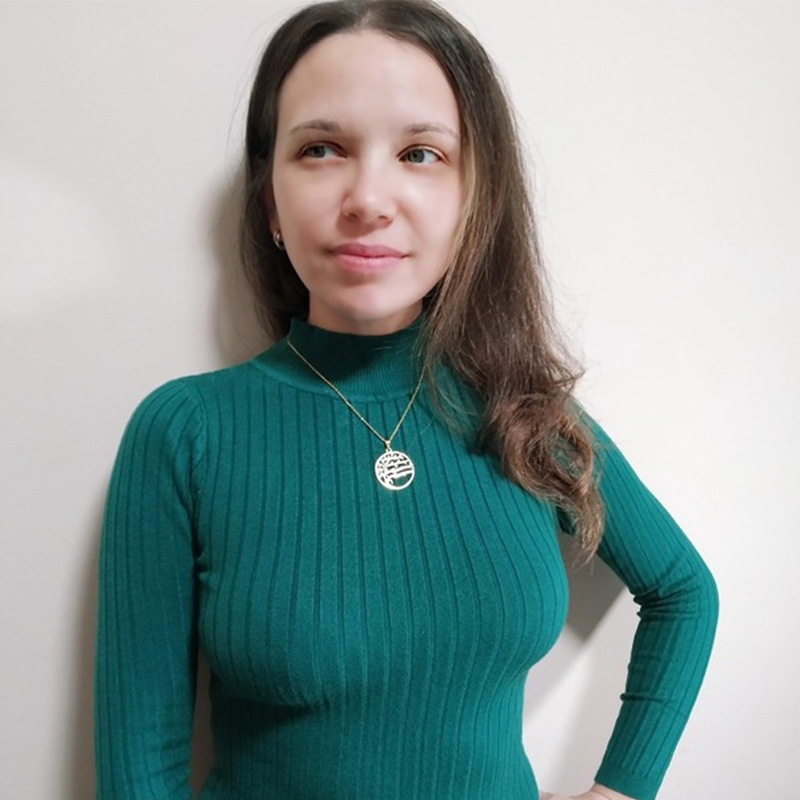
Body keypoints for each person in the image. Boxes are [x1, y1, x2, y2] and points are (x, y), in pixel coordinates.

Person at [93, 1, 719, 799]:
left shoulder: (525, 416)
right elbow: (140, 766)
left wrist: (622, 788)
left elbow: (683, 592)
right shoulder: (186, 434)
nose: (369, 198)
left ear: (472, 201)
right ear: (269, 202)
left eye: (421, 153)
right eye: (321, 149)